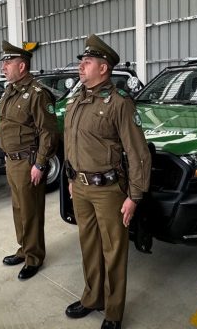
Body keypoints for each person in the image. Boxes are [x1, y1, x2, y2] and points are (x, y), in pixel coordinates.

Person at [63, 34, 151, 329]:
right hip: (82, 187)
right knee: (89, 246)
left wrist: (135, 196)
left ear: (104, 68)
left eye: (87, 62)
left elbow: (138, 153)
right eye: (82, 62)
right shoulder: (77, 101)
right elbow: (71, 143)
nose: (81, 66)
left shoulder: (119, 103)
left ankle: (113, 312)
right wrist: (71, 177)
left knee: (113, 251)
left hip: (109, 190)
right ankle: (92, 298)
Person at [0, 41, 59, 280]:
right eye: (4, 62)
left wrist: (40, 163)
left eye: (8, 62)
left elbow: (49, 132)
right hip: (12, 161)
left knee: (31, 211)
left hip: (28, 161)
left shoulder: (37, 93)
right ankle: (23, 249)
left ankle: (34, 257)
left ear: (21, 66)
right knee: (18, 209)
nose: (4, 66)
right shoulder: (10, 91)